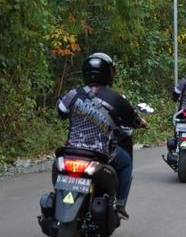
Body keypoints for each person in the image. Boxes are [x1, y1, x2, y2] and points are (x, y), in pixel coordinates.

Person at [57, 52, 147, 220]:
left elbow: (61, 112)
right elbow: (132, 120)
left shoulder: (73, 94)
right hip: (101, 154)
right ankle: (120, 205)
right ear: (109, 73)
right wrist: (140, 123)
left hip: (71, 151)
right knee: (126, 162)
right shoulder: (116, 98)